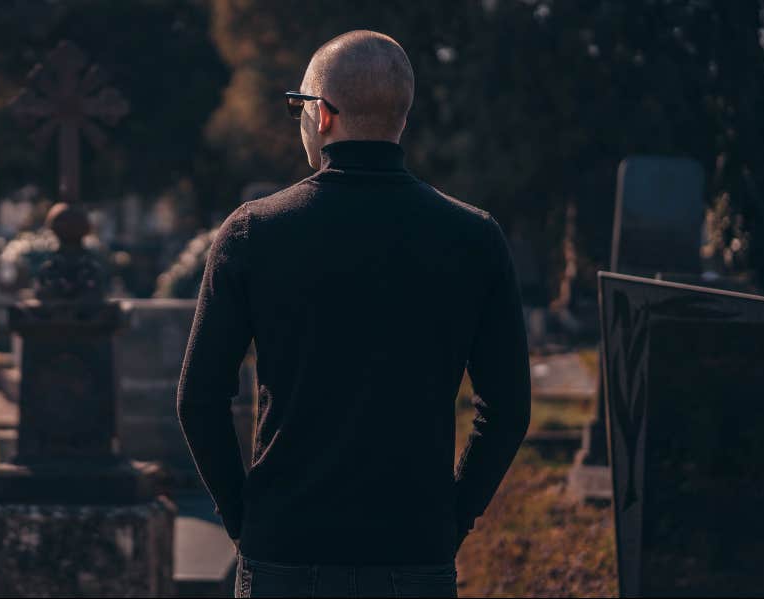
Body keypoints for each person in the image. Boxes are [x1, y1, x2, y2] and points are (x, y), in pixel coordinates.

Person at [177, 30, 531, 598]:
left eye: (300, 105)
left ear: (322, 116)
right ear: (401, 121)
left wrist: (247, 524)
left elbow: (199, 400)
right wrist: (453, 519)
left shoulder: (253, 232)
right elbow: (508, 408)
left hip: (285, 549)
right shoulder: (473, 237)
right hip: (414, 548)